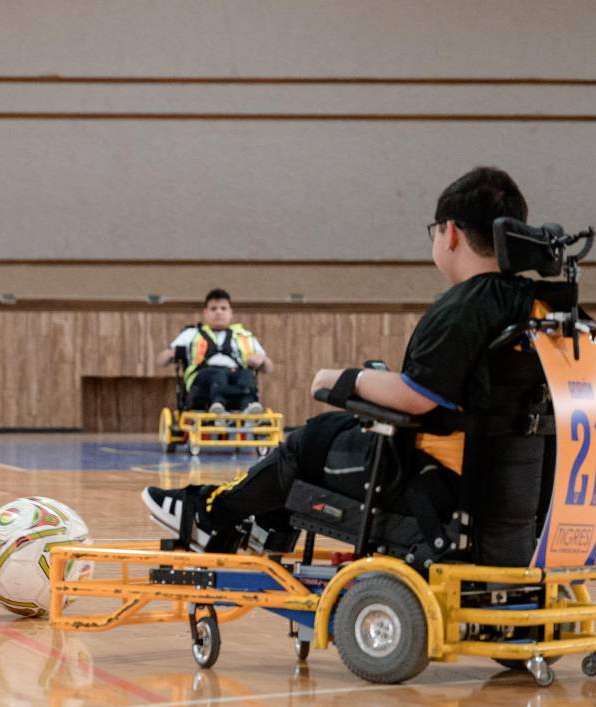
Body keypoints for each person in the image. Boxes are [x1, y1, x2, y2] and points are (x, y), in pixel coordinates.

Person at [143, 167, 542, 567]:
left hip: (435, 489)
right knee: (339, 432)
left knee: (311, 442)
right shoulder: (541, 308)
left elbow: (417, 396)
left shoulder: (465, 307)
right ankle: (262, 521)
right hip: (510, 492)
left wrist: (345, 379)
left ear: (449, 232)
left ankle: (211, 516)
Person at [156, 288, 268, 414]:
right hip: (203, 380)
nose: (219, 312)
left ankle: (248, 408)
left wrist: (262, 359)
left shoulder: (244, 336)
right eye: (213, 309)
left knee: (246, 375)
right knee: (217, 375)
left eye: (223, 308)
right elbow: (161, 361)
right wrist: (170, 353)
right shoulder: (191, 334)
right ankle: (218, 405)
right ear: (205, 312)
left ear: (231, 312)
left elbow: (268, 367)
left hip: (236, 375)